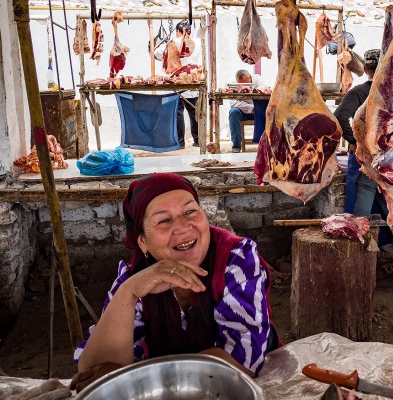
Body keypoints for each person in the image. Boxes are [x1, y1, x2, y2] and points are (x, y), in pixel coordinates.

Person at [70, 173, 278, 392]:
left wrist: (139, 377)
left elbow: (242, 358)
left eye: (190, 211)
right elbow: (92, 370)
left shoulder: (236, 258)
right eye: (163, 220)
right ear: (143, 242)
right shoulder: (135, 277)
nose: (183, 226)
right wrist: (129, 293)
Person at [334, 49, 393, 288]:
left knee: (360, 218)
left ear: (367, 69)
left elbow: (339, 115)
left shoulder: (360, 92)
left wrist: (354, 141)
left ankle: (356, 272)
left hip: (370, 163)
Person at [155, 20, 201, 148]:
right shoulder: (197, 43)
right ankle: (198, 140)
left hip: (178, 82)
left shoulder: (174, 42)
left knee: (178, 112)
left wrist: (162, 44)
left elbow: (156, 53)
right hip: (193, 81)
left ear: (178, 32)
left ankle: (180, 142)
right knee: (194, 112)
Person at [229, 70, 262, 153]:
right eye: (241, 84)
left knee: (268, 111)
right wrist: (251, 107)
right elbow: (233, 102)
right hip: (244, 112)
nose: (243, 86)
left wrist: (253, 90)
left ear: (250, 77)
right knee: (233, 112)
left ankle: (265, 144)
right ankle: (236, 145)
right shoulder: (233, 84)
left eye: (246, 83)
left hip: (258, 111)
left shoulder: (258, 79)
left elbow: (265, 89)